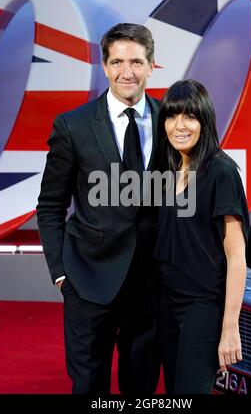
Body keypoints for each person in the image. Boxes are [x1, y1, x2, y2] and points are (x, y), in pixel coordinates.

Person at [36, 23, 160, 395]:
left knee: (142, 386)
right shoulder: (73, 126)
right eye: (118, 62)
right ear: (104, 66)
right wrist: (61, 273)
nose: (128, 72)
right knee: (89, 385)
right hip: (87, 279)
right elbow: (50, 205)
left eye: (137, 62)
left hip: (152, 283)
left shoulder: (175, 122)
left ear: (152, 66)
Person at [154, 79, 250, 394]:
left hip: (202, 308)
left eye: (189, 116)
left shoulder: (221, 172)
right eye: (171, 116)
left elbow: (237, 256)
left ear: (204, 120)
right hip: (167, 305)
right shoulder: (166, 171)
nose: (179, 125)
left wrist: (230, 327)